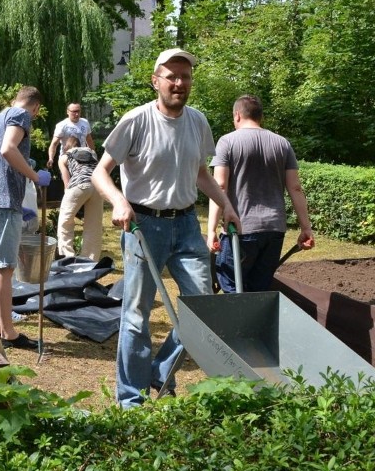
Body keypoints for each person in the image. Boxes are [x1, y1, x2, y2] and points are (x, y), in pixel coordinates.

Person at [91, 48, 241, 407]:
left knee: (203, 311)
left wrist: (227, 205)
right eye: (171, 76)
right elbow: (100, 171)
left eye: (185, 76)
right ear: (155, 81)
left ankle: (160, 372)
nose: (179, 82)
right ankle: (131, 398)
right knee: (136, 314)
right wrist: (119, 202)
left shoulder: (197, 121)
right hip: (143, 225)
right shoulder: (136, 120)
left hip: (187, 224)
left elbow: (200, 173)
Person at [207, 95, 315, 293]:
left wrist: (211, 230)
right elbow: (295, 188)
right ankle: (256, 324)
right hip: (274, 230)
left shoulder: (226, 142)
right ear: (260, 117)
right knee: (260, 288)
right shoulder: (282, 143)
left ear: (237, 115)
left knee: (232, 286)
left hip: (240, 230)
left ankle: (239, 324)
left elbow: (220, 185)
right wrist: (305, 228)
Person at [0, 85, 51, 349]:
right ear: (36, 108)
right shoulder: (21, 116)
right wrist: (34, 175)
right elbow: (8, 149)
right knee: (5, 268)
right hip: (2, 201)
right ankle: (8, 334)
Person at [57, 136, 103, 261]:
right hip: (98, 186)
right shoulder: (91, 152)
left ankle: (68, 257)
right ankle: (90, 261)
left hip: (78, 184)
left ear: (66, 146)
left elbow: (66, 182)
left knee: (65, 221)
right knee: (94, 225)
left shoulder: (64, 156)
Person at [46, 102, 94, 168]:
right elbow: (54, 144)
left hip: (82, 159)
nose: (77, 114)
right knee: (67, 178)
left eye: (78, 111)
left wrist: (93, 155)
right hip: (67, 159)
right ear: (67, 112)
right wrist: (51, 158)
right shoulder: (62, 125)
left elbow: (89, 140)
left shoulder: (85, 122)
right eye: (74, 112)